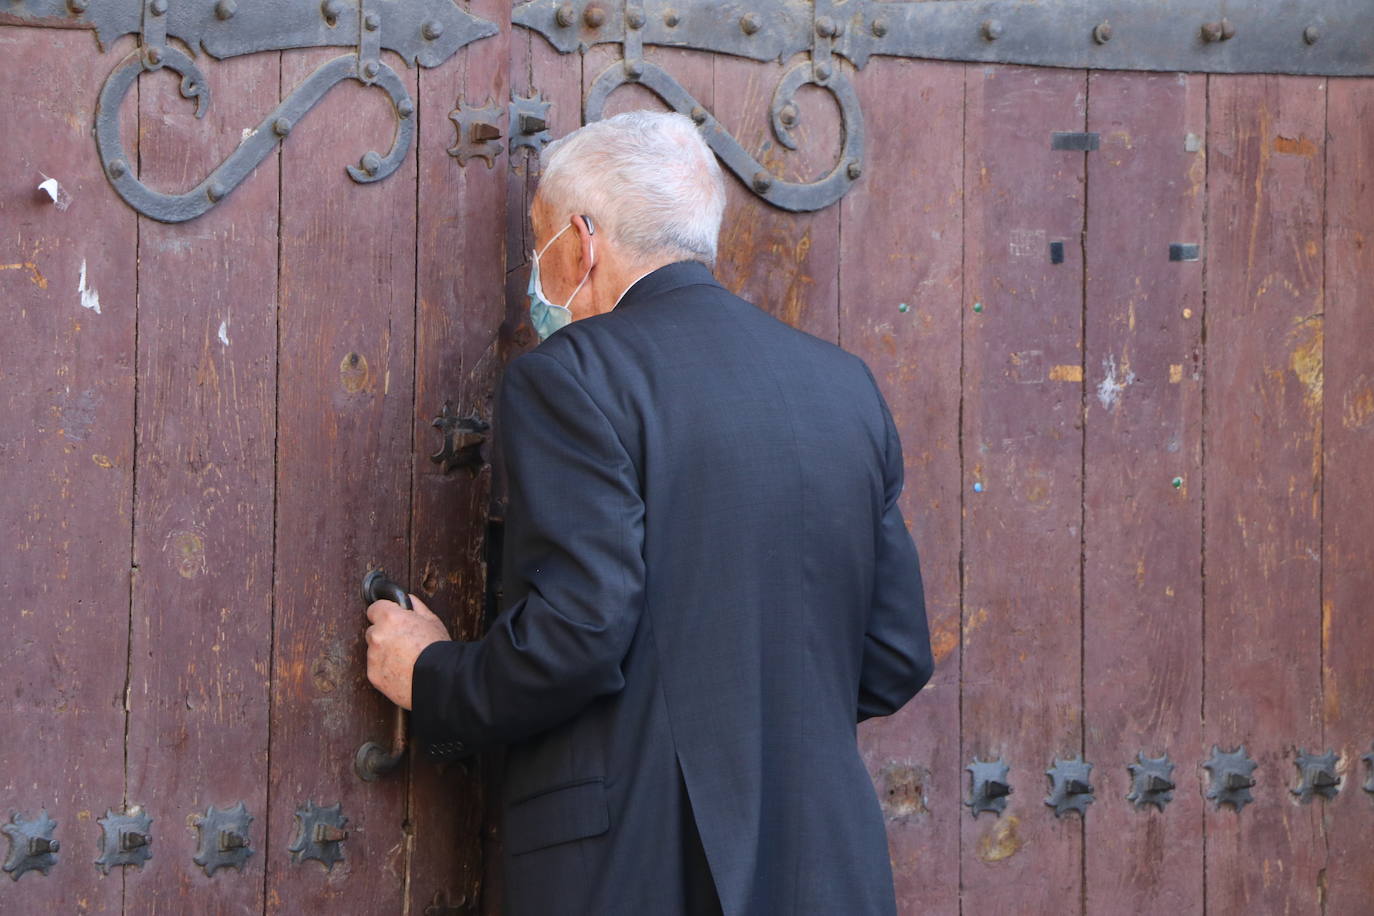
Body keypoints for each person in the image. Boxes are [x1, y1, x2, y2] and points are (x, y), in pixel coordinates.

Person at [363, 109, 933, 915]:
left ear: (581, 241)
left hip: (640, 870)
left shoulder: (572, 376)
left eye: (539, 241)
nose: (537, 269)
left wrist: (432, 675)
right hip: (823, 869)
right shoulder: (844, 388)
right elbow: (896, 655)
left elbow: (579, 636)